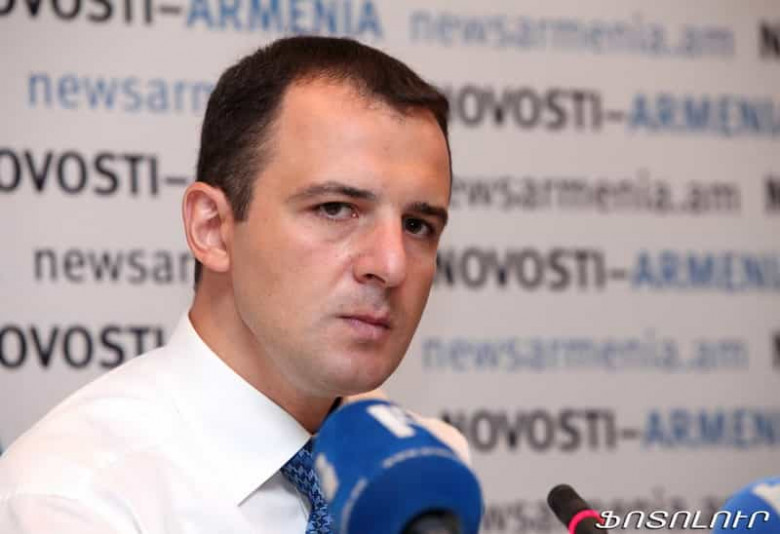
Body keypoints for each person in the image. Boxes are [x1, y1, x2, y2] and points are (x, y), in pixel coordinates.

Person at [0, 36, 465, 533]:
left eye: (418, 225)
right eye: (335, 209)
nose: (392, 265)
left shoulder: (423, 477)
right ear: (213, 228)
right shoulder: (73, 499)